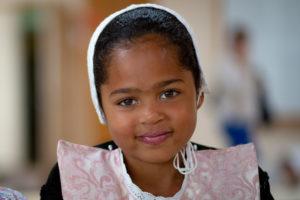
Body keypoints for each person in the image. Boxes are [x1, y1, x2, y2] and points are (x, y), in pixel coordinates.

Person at [40, 4, 273, 199]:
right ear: (101, 108)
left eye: (168, 93)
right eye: (128, 100)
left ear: (199, 93)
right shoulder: (70, 182)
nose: (151, 115)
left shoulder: (243, 181)